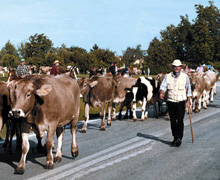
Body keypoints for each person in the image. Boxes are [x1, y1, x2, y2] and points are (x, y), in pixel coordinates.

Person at [160, 59, 191, 147]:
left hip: (181, 102)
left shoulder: (185, 77)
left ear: (181, 67)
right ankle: (175, 137)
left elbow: (188, 88)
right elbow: (163, 86)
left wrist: (188, 100)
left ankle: (179, 138)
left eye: (178, 66)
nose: (176, 68)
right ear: (173, 67)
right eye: (175, 66)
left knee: (180, 120)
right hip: (171, 101)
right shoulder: (168, 76)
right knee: (173, 121)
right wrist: (162, 92)